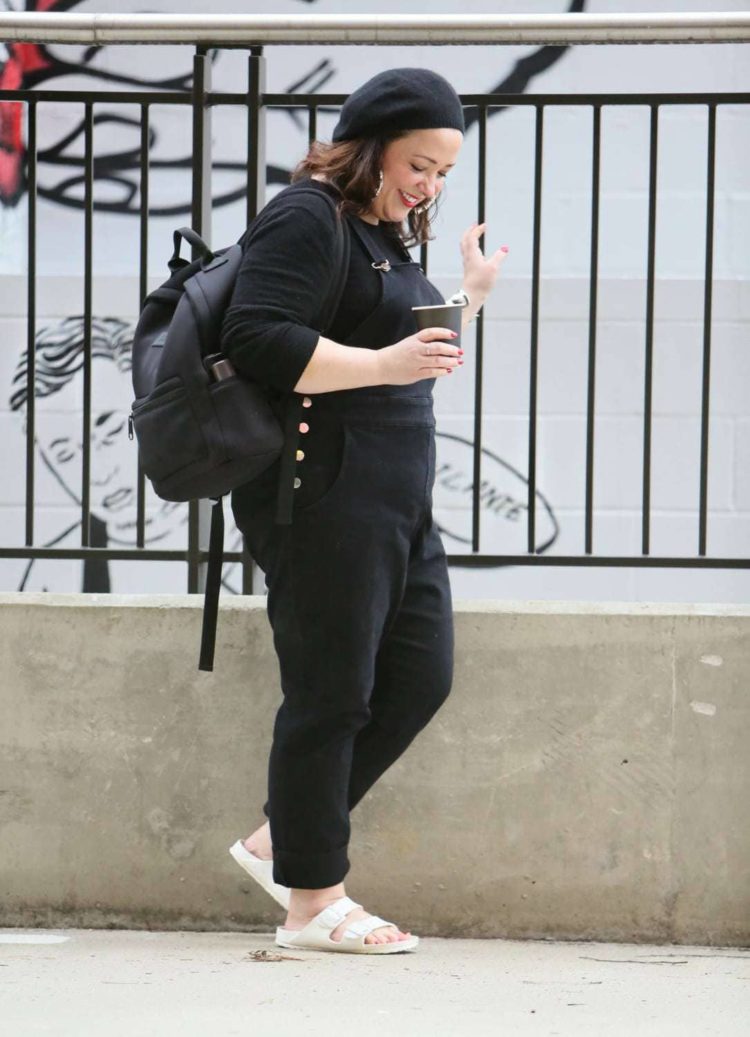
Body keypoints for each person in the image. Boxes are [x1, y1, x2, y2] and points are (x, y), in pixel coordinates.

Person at [221, 67, 509, 955]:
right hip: (324, 488)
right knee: (331, 692)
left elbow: (402, 343)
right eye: (419, 163)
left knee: (421, 674)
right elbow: (257, 336)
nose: (429, 185)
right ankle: (312, 901)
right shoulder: (308, 216)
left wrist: (468, 300)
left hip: (394, 494)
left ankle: (284, 839)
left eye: (442, 173)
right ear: (374, 140)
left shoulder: (385, 230)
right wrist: (386, 366)